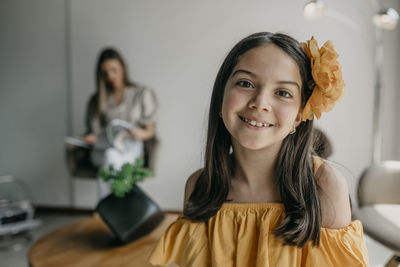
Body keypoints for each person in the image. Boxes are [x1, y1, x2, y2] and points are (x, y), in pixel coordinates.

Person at [149, 32, 369, 266]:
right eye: (246, 83)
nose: (260, 102)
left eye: (283, 93)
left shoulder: (324, 185)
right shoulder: (200, 186)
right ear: (221, 97)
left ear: (299, 115)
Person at [83, 48, 158, 198]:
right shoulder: (97, 100)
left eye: (114, 70)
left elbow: (150, 131)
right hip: (104, 147)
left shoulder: (141, 93)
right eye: (105, 73)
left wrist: (140, 133)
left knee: (112, 161)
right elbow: (95, 131)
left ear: (122, 67)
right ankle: (120, 206)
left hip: (131, 147)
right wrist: (92, 137)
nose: (110, 76)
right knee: (110, 156)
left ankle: (106, 208)